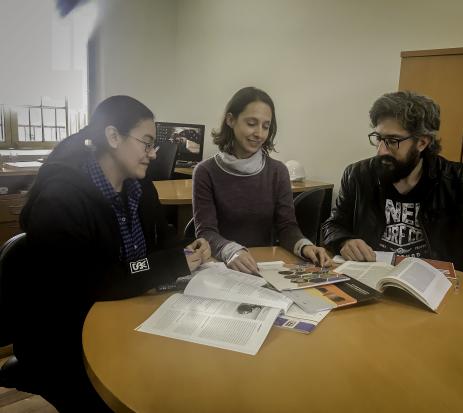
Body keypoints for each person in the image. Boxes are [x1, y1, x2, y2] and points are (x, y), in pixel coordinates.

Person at [14, 95, 211, 412]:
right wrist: (172, 263)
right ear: (113, 136)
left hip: (125, 314)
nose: (153, 153)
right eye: (146, 143)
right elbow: (95, 280)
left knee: (189, 374)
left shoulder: (139, 187)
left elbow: (160, 238)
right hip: (65, 337)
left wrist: (185, 248)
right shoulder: (61, 199)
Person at [322, 91, 463, 285]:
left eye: (392, 141)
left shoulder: (458, 180)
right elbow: (333, 225)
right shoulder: (358, 175)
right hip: (372, 283)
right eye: (378, 138)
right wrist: (344, 241)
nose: (381, 150)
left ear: (422, 142)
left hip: (434, 290)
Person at [192, 86, 331, 274]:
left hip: (263, 266)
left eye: (266, 126)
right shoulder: (205, 171)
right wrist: (232, 251)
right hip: (222, 266)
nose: (259, 133)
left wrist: (305, 246)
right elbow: (205, 232)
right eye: (251, 123)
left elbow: (287, 227)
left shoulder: (277, 171)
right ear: (231, 120)